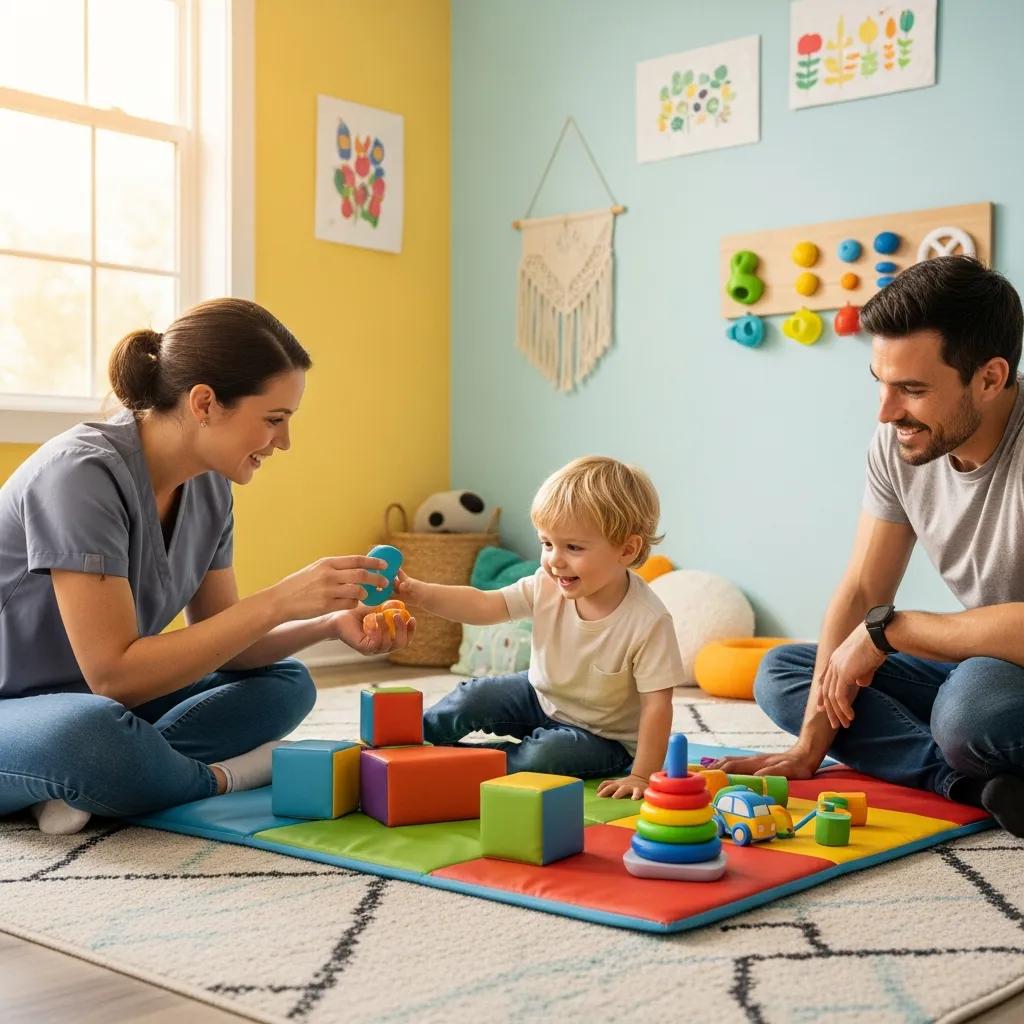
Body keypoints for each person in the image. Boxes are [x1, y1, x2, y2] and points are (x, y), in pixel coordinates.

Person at [0, 298, 414, 834]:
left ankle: (98, 782)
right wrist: (279, 599)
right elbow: (114, 676)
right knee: (92, 733)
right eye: (273, 420)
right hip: (31, 707)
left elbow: (232, 647)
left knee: (285, 683)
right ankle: (217, 777)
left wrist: (328, 626)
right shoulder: (79, 475)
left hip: (90, 704)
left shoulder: (211, 486)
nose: (284, 442)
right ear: (204, 403)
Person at [714, 256, 1024, 837]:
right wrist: (810, 745)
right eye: (881, 384)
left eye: (911, 389)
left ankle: (966, 753)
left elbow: (884, 619)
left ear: (989, 377)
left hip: (996, 678)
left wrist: (893, 629)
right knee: (788, 674)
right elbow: (862, 588)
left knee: (968, 715)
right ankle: (975, 786)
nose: (886, 413)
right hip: (981, 665)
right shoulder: (901, 442)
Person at [397, 455, 681, 799]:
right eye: (547, 543)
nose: (554, 560)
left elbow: (657, 706)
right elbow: (485, 605)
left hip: (604, 737)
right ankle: (401, 745)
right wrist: (420, 592)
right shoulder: (547, 584)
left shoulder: (648, 621)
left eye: (573, 547)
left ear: (626, 549)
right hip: (539, 695)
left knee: (542, 757)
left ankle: (461, 765)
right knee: (473, 696)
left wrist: (641, 775)